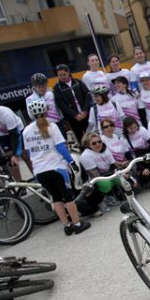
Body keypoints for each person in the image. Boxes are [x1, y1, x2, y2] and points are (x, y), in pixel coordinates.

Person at [23, 99, 91, 235]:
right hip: (56, 167)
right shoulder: (51, 126)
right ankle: (77, 224)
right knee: (67, 196)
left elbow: (29, 152)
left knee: (55, 198)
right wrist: (71, 162)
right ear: (46, 111)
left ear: (30, 114)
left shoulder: (26, 131)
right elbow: (61, 147)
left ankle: (67, 225)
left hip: (39, 170)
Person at [79, 132, 124, 211]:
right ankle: (102, 199)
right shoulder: (86, 155)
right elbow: (95, 174)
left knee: (121, 178)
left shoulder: (105, 150)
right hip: (94, 177)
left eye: (99, 142)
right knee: (106, 183)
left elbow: (113, 164)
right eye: (94, 143)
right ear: (88, 145)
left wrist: (122, 171)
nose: (98, 144)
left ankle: (119, 195)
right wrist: (111, 176)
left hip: (107, 173)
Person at [53, 63, 92, 145]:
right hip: (73, 118)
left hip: (86, 114)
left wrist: (85, 111)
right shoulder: (57, 88)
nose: (63, 77)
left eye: (64, 74)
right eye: (60, 75)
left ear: (68, 72)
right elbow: (61, 104)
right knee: (80, 138)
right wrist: (75, 115)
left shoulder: (78, 82)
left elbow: (87, 95)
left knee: (91, 135)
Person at [122, 117, 150, 189]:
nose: (133, 130)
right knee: (145, 174)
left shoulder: (142, 130)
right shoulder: (124, 138)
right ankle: (147, 180)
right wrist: (142, 168)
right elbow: (129, 157)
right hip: (137, 158)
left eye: (135, 127)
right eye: (130, 128)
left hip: (147, 152)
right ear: (126, 128)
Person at [26, 73, 65, 137]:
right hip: (44, 126)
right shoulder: (30, 99)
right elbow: (32, 116)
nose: (42, 89)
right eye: (39, 87)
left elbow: (59, 107)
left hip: (58, 123)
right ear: (34, 87)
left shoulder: (51, 94)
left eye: (44, 86)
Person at [0, 105, 26, 181]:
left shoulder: (5, 113)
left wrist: (16, 154)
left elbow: (15, 135)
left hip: (16, 129)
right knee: (10, 158)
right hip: (1, 133)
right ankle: (20, 184)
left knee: (24, 153)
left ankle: (37, 179)